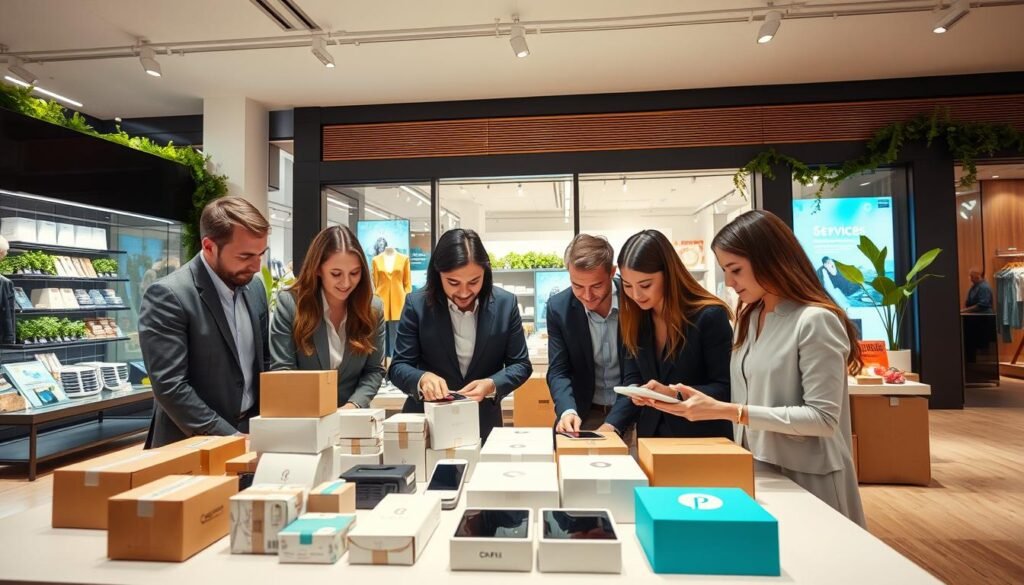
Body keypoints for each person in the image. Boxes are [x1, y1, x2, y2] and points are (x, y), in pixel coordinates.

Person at [639, 210, 865, 526]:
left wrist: (731, 411)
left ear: (771, 259)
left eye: (736, 270)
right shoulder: (750, 318)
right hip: (757, 471)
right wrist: (677, 396)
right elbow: (743, 392)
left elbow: (823, 419)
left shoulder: (814, 320)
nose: (730, 282)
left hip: (811, 477)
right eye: (725, 271)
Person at [139, 196, 270, 448]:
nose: (256, 266)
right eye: (245, 256)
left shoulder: (254, 288)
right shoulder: (169, 296)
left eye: (261, 254)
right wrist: (230, 438)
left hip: (250, 434)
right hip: (190, 446)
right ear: (209, 247)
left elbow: (264, 362)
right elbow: (171, 387)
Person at [389, 228, 532, 442]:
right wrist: (422, 379)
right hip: (428, 424)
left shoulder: (505, 304)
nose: (464, 293)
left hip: (482, 422)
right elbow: (398, 366)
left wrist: (492, 384)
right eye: (453, 282)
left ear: (486, 273)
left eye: (474, 282)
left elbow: (521, 364)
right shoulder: (416, 305)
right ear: (438, 274)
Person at [598, 229, 733, 439]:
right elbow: (633, 378)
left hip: (703, 439)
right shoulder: (635, 317)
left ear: (669, 275)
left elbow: (726, 388)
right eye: (627, 285)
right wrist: (612, 423)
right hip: (652, 440)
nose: (636, 295)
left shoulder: (709, 316)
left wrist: (674, 393)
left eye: (645, 285)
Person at [269, 225, 386, 408]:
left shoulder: (372, 309)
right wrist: (317, 413)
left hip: (353, 417)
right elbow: (283, 370)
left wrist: (353, 405)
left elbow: (374, 370)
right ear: (317, 269)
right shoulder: (291, 305)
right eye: (336, 274)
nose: (346, 283)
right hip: (304, 415)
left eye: (354, 273)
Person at [547, 234, 626, 434]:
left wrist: (615, 422)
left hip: (634, 413)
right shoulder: (559, 308)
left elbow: (640, 371)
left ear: (612, 272)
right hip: (584, 414)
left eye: (596, 286)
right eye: (578, 286)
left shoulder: (633, 299)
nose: (587, 296)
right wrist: (567, 410)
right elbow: (558, 370)